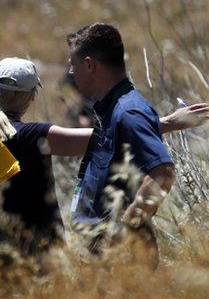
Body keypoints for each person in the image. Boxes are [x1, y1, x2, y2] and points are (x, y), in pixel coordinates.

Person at [0, 57, 209, 268]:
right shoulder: (33, 135)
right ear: (32, 95)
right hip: (36, 250)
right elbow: (106, 137)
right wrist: (169, 121)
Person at [67, 23, 185, 268]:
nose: (70, 71)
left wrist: (127, 226)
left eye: (73, 64)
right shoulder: (113, 108)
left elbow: (163, 172)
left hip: (122, 259)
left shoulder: (128, 111)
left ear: (89, 65)